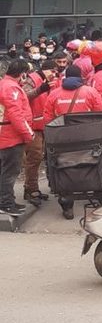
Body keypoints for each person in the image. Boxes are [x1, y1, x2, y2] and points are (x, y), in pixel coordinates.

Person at [43, 65, 102, 219]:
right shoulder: (90, 92)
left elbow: (48, 118)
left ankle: (67, 205)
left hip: (63, 139)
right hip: (87, 138)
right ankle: (95, 195)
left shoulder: (54, 94)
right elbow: (100, 114)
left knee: (64, 168)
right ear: (80, 77)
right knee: (91, 164)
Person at [0, 59, 36, 215]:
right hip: (11, 138)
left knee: (6, 171)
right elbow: (16, 115)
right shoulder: (11, 88)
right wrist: (28, 134)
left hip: (8, 136)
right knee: (9, 172)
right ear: (22, 74)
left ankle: (7, 200)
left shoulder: (6, 85)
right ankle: (6, 203)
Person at [21, 60, 58, 206]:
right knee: (34, 159)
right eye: (53, 71)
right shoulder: (32, 80)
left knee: (37, 158)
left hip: (42, 126)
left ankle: (31, 188)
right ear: (46, 69)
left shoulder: (46, 80)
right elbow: (24, 96)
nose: (55, 75)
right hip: (33, 127)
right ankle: (31, 189)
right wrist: (40, 90)